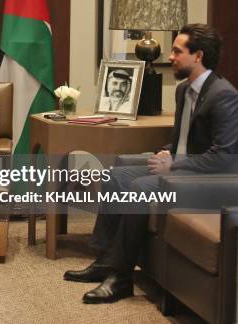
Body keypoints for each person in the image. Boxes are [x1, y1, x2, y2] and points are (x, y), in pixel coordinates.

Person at [64, 24, 238, 303]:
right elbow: (185, 141)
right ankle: (105, 261)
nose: (170, 57)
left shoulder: (223, 95)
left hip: (209, 183)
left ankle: (121, 278)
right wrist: (165, 153)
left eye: (177, 51)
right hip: (182, 169)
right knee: (114, 177)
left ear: (198, 56)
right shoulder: (184, 91)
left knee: (140, 187)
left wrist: (176, 166)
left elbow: (224, 156)